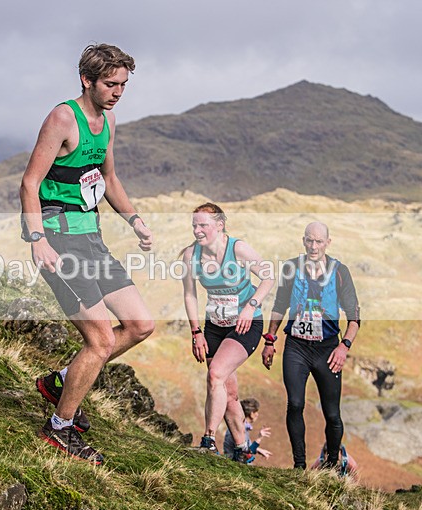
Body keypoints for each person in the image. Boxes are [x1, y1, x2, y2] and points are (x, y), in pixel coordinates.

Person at [20, 43, 154, 465]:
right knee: (98, 341)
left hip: (91, 237)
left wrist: (134, 220)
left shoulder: (108, 120)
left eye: (123, 85)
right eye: (111, 84)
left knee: (139, 324)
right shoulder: (63, 118)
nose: (118, 92)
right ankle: (60, 427)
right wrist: (36, 238)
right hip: (59, 240)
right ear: (87, 81)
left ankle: (62, 382)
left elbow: (108, 178)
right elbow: (29, 183)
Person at [261, 221, 360, 470]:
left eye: (318, 241)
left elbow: (354, 317)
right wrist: (270, 340)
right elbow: (279, 306)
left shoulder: (340, 272)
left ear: (328, 242)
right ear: (303, 241)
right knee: (295, 404)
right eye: (309, 240)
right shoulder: (291, 268)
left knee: (332, 414)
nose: (313, 246)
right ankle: (299, 466)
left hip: (327, 349)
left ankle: (331, 464)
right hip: (297, 347)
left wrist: (343, 347)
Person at [180, 203, 275, 463]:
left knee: (215, 375)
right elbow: (189, 293)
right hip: (214, 327)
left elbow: (269, 276)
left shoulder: (238, 249)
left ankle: (208, 440)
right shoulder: (191, 255)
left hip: (246, 324)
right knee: (228, 392)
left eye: (203, 225)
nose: (197, 231)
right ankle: (243, 449)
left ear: (219, 225)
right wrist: (196, 331)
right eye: (194, 226)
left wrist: (251, 306)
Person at [223, 397, 272, 462]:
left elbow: (246, 448)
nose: (257, 414)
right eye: (256, 412)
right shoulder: (241, 429)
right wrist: (259, 438)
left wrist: (258, 450)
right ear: (251, 414)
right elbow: (246, 453)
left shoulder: (239, 426)